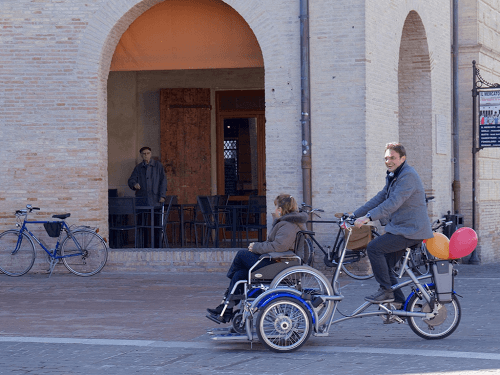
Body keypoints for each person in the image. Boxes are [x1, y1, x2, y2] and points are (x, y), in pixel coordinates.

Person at [353, 142, 433, 305]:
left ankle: (386, 291)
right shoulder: (394, 174)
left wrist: (368, 218)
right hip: (401, 229)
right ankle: (399, 304)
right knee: (386, 266)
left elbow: (393, 202)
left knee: (374, 248)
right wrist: (355, 214)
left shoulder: (408, 175)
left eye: (393, 158)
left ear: (403, 158)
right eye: (386, 158)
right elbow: (381, 197)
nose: (388, 161)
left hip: (411, 230)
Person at [206, 193, 308, 322]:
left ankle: (228, 291)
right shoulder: (287, 223)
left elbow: (279, 246)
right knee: (240, 274)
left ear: (280, 210)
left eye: (276, 206)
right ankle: (226, 309)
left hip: (279, 264)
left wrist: (256, 247)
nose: (274, 210)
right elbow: (277, 245)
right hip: (276, 261)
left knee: (242, 254)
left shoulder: (287, 225)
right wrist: (257, 247)